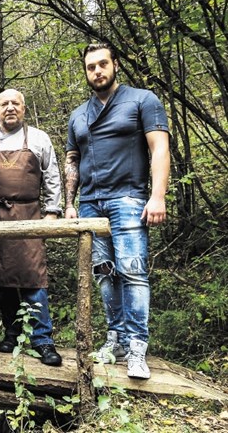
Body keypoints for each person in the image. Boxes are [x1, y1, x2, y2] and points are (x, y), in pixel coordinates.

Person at [65, 43, 170, 379]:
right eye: (91, 67)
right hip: (91, 203)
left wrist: (158, 196)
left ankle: (138, 346)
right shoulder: (78, 115)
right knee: (105, 274)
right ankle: (118, 339)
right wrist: (70, 203)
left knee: (133, 270)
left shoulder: (142, 100)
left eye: (102, 64)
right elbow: (72, 160)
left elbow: (160, 148)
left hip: (129, 198)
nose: (97, 71)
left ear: (115, 65)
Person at [0, 89, 63, 366]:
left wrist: (52, 212)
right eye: (4, 104)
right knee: (1, 276)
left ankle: (42, 339)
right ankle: (13, 331)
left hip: (30, 215)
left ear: (24, 109)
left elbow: (52, 175)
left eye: (15, 103)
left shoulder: (39, 139)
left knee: (33, 277)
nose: (10, 108)